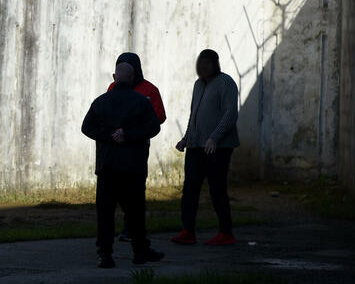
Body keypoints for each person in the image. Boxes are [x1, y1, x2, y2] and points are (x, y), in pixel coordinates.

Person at [82, 62, 165, 268]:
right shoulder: (141, 101)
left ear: (114, 77)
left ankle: (105, 255)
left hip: (107, 165)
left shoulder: (100, 102)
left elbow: (86, 127)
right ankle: (140, 251)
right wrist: (128, 135)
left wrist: (108, 136)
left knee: (105, 212)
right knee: (135, 211)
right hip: (133, 166)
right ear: (133, 77)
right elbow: (154, 127)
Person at [172, 49, 240, 246]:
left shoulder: (226, 83)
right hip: (195, 146)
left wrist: (214, 138)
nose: (203, 67)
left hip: (218, 148)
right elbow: (194, 115)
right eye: (200, 64)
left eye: (207, 63)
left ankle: (226, 233)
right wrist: (186, 138)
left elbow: (230, 115)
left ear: (215, 64)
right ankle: (188, 231)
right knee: (190, 189)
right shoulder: (198, 85)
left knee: (217, 189)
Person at [107, 52, 166, 242]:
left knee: (135, 187)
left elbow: (159, 116)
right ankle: (131, 226)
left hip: (138, 145)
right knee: (120, 188)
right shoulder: (113, 88)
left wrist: (132, 129)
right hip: (117, 146)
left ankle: (130, 228)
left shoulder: (149, 90)